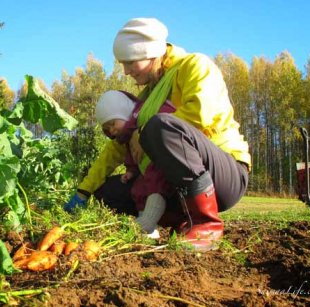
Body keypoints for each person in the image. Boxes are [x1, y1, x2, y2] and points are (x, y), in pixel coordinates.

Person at [65, 17, 251, 251]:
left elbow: (202, 114)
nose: (126, 71)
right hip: (175, 183)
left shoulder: (194, 66)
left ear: (150, 53)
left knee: (159, 125)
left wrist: (143, 134)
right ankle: (179, 221)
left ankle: (206, 224)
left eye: (130, 62)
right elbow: (115, 150)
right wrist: (84, 191)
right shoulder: (149, 96)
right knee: (107, 192)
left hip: (223, 174)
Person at [92, 90, 175, 238]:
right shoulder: (127, 137)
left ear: (123, 112)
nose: (111, 129)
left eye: (112, 123)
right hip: (144, 172)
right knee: (139, 190)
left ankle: (148, 221)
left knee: (155, 184)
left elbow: (167, 119)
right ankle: (149, 228)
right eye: (107, 128)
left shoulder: (145, 115)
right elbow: (133, 156)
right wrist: (131, 171)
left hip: (161, 166)